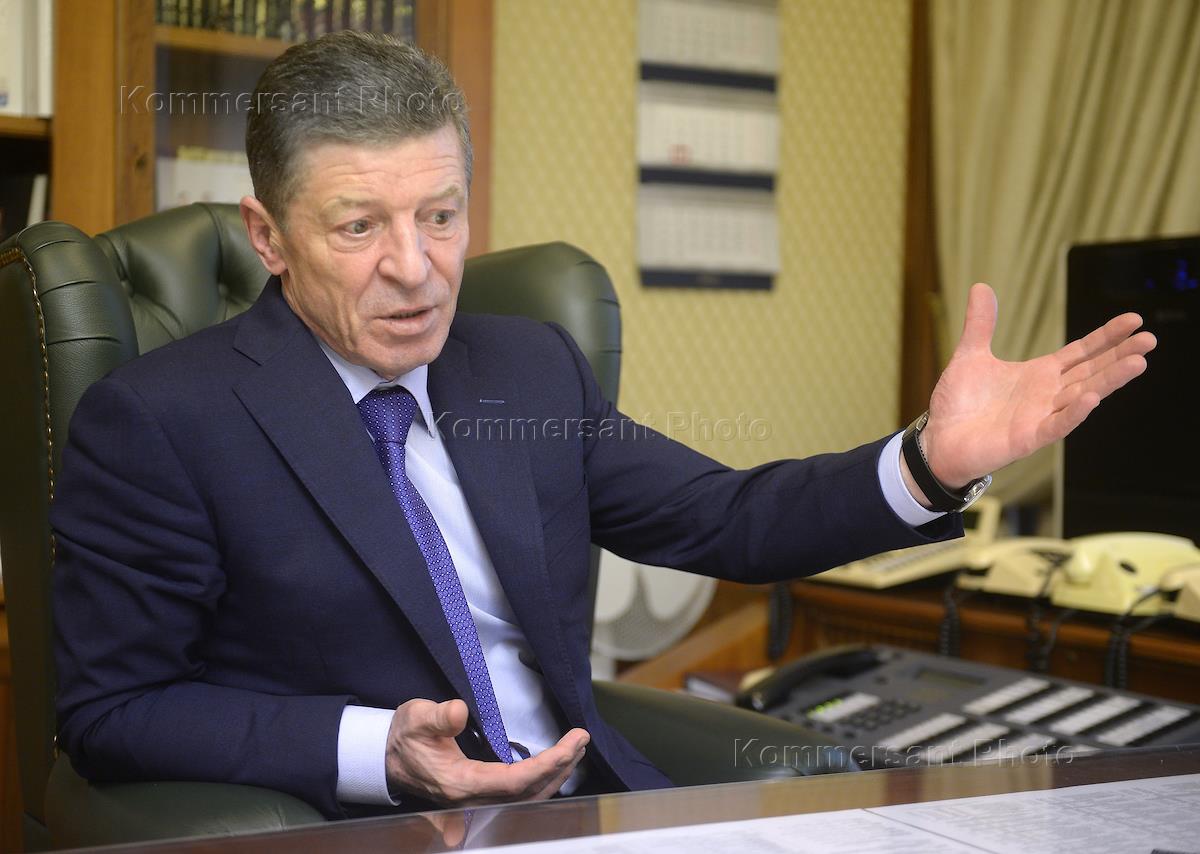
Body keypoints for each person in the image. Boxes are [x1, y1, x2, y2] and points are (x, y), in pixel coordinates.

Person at [51, 31, 1155, 820]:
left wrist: (930, 462)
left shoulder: (526, 367)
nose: (416, 268)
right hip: (368, 827)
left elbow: (728, 519)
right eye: (358, 227)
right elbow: (111, 710)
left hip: (592, 808)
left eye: (441, 215)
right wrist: (375, 748)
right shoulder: (161, 420)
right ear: (268, 235)